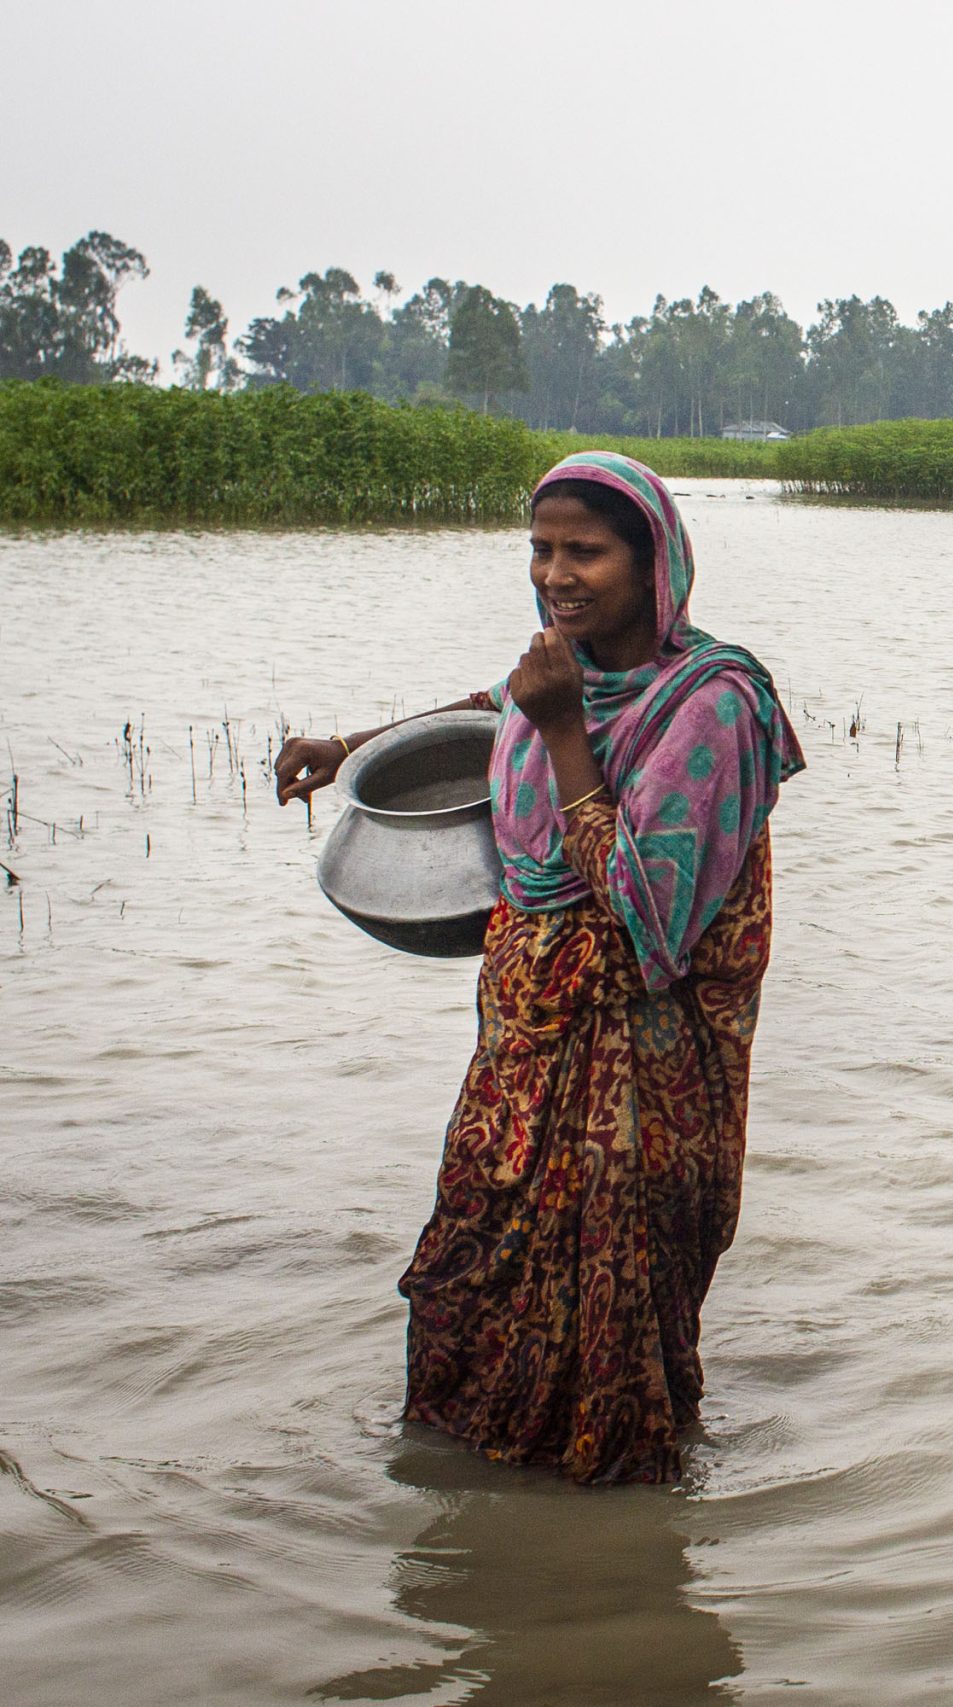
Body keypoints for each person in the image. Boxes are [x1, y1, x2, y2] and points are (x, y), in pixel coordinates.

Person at [270, 451, 805, 1483]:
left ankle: (619, 1522)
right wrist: (350, 746)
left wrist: (565, 731)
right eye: (540, 550)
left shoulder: (714, 706)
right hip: (519, 1058)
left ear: (654, 564)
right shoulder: (568, 676)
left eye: (585, 553)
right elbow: (489, 709)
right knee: (469, 1285)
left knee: (610, 1324)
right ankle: (493, 1533)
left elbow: (652, 917)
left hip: (641, 1083)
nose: (556, 574)